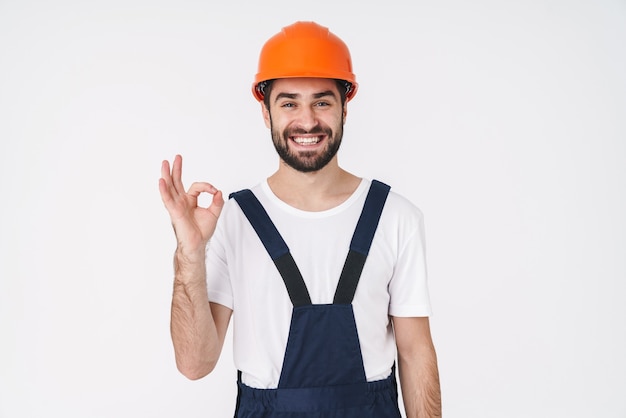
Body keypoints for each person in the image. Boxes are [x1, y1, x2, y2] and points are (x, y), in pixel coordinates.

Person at [159, 21, 441, 417]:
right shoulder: (233, 220)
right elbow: (194, 364)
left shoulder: (396, 217)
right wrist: (189, 253)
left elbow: (416, 353)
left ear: (345, 107)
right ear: (265, 111)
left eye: (322, 102)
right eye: (289, 103)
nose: (307, 121)